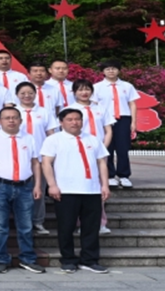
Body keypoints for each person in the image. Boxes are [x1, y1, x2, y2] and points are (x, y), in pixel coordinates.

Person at [41, 108, 111, 274]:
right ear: (61, 122)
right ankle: (68, 259)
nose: (74, 122)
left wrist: (105, 185)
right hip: (66, 190)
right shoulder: (54, 139)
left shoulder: (93, 139)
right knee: (66, 227)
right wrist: (52, 185)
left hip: (91, 190)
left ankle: (89, 259)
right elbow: (46, 163)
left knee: (91, 227)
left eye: (77, 119)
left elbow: (102, 163)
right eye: (70, 119)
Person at [0, 107, 45, 274]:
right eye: (7, 118)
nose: (11, 120)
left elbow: (35, 163)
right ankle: (1, 259)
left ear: (20, 120)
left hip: (25, 186)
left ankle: (28, 259)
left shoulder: (29, 138)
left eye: (14, 117)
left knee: (26, 225)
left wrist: (37, 185)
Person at [70, 79, 115, 234]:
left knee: (99, 187)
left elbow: (108, 130)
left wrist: (102, 148)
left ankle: (100, 222)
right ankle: (81, 223)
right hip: (79, 153)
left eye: (87, 89)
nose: (84, 92)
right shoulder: (70, 110)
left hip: (99, 152)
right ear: (74, 92)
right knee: (80, 188)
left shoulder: (100, 108)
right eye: (80, 89)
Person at [16, 82, 58, 235]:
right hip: (18, 156)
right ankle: (21, 221)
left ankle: (38, 221)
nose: (27, 96)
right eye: (23, 93)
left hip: (40, 157)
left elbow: (51, 134)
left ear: (35, 94)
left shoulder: (44, 112)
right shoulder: (13, 112)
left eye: (30, 93)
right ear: (17, 95)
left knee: (38, 190)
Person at [93, 59, 139, 189]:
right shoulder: (97, 87)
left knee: (123, 148)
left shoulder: (127, 86)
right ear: (103, 71)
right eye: (107, 69)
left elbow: (132, 104)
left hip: (123, 118)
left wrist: (133, 122)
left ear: (119, 70)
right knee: (107, 148)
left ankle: (124, 176)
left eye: (113, 68)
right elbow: (94, 105)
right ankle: (110, 176)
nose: (111, 71)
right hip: (105, 119)